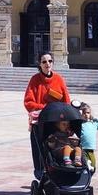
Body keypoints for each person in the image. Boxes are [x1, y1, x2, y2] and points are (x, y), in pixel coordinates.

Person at [23, 51, 70, 179]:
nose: (47, 64)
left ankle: (58, 171)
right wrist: (45, 108)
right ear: (40, 64)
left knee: (57, 147)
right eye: (44, 62)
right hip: (40, 122)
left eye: (50, 61)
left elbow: (66, 101)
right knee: (39, 149)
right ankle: (40, 172)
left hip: (56, 122)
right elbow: (28, 102)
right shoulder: (35, 80)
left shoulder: (59, 79)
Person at [78, 102, 98, 171]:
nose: (86, 115)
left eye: (88, 113)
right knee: (85, 162)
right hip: (83, 147)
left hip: (91, 147)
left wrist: (94, 119)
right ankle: (86, 173)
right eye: (84, 113)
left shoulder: (94, 124)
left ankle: (90, 172)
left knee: (93, 164)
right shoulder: (80, 124)